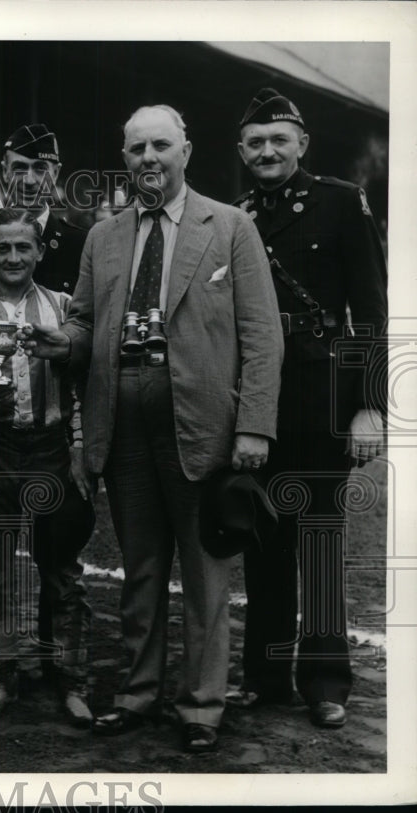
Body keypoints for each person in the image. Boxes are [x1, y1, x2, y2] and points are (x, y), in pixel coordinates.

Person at [25, 105, 283, 753]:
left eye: (160, 145)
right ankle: (138, 694)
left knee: (204, 572)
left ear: (186, 151)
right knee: (141, 569)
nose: (148, 157)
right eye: (136, 146)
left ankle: (201, 705)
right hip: (125, 421)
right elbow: (85, 322)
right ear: (125, 155)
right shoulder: (104, 236)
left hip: (202, 422)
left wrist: (253, 426)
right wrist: (65, 341)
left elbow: (262, 335)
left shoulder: (229, 227)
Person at [228, 88, 388, 729]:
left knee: (319, 546)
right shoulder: (235, 216)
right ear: (242, 152)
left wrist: (370, 406)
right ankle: (265, 680)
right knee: (262, 544)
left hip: (324, 403)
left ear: (303, 145)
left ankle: (326, 681)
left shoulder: (341, 202)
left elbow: (372, 315)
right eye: (256, 143)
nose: (268, 152)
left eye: (279, 141)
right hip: (257, 406)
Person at [0, 208, 95, 723]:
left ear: (39, 252)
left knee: (62, 571)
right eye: (3, 248)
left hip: (51, 451)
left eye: (23, 248)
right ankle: (1, 675)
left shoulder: (64, 308)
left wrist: (79, 452)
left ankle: (70, 678)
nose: (13, 257)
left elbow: (83, 388)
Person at [0, 123, 87, 296]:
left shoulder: (79, 245)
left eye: (40, 169)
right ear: (4, 172)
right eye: (19, 168)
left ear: (55, 173)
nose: (29, 181)